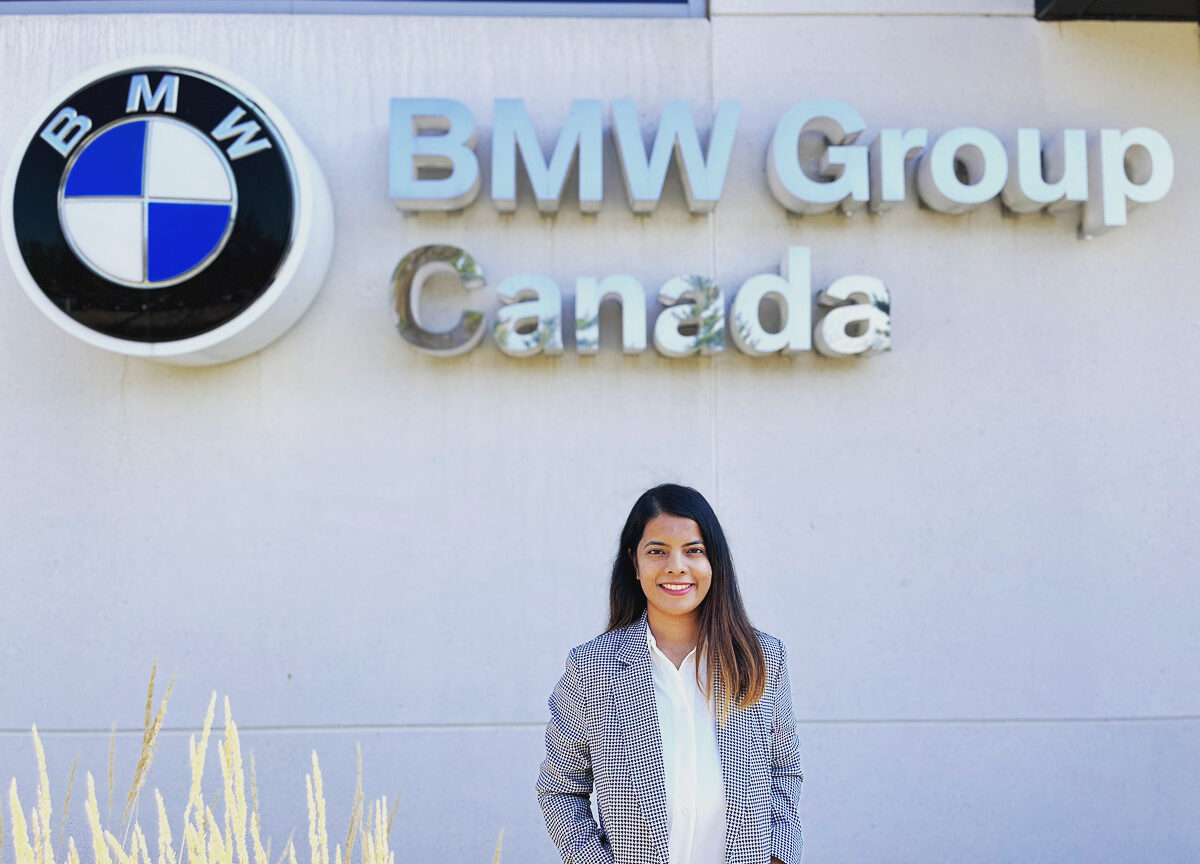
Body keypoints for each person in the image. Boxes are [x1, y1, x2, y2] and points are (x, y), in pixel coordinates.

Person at [537, 483, 803, 864]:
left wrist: (779, 858)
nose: (676, 565)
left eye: (694, 550)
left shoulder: (762, 658)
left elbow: (784, 772)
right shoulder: (591, 668)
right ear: (635, 561)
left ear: (714, 561)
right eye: (657, 551)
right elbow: (560, 788)